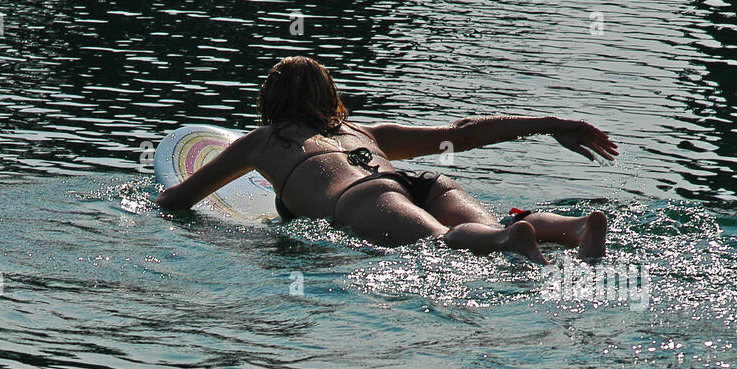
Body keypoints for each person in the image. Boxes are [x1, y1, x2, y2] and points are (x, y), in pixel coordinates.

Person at [156, 56, 618, 263]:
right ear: (329, 95)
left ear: (269, 104)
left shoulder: (262, 142)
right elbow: (464, 133)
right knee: (490, 223)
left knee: (444, 244)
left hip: (363, 198)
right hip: (423, 181)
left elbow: (180, 197)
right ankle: (573, 228)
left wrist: (153, 199)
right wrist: (552, 123)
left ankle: (507, 241)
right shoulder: (365, 132)